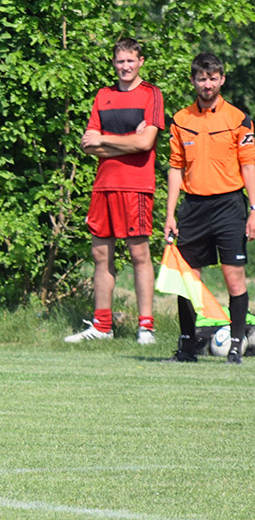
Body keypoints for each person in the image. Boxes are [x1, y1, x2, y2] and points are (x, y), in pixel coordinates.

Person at [65, 38, 164, 345]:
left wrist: (105, 141)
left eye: (130, 61)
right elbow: (87, 143)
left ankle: (145, 327)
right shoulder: (103, 95)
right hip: (104, 184)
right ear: (114, 63)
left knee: (138, 254)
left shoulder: (152, 94)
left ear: (141, 62)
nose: (125, 66)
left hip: (136, 184)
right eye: (120, 61)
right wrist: (123, 141)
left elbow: (145, 143)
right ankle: (102, 326)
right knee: (100, 254)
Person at [163, 52, 255, 364]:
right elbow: (175, 168)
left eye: (213, 78)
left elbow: (249, 167)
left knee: (234, 278)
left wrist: (254, 209)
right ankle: (186, 348)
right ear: (193, 81)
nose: (207, 84)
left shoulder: (238, 119)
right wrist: (170, 214)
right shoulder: (180, 120)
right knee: (187, 278)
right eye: (202, 78)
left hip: (229, 205)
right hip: (193, 207)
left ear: (222, 80)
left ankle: (236, 346)